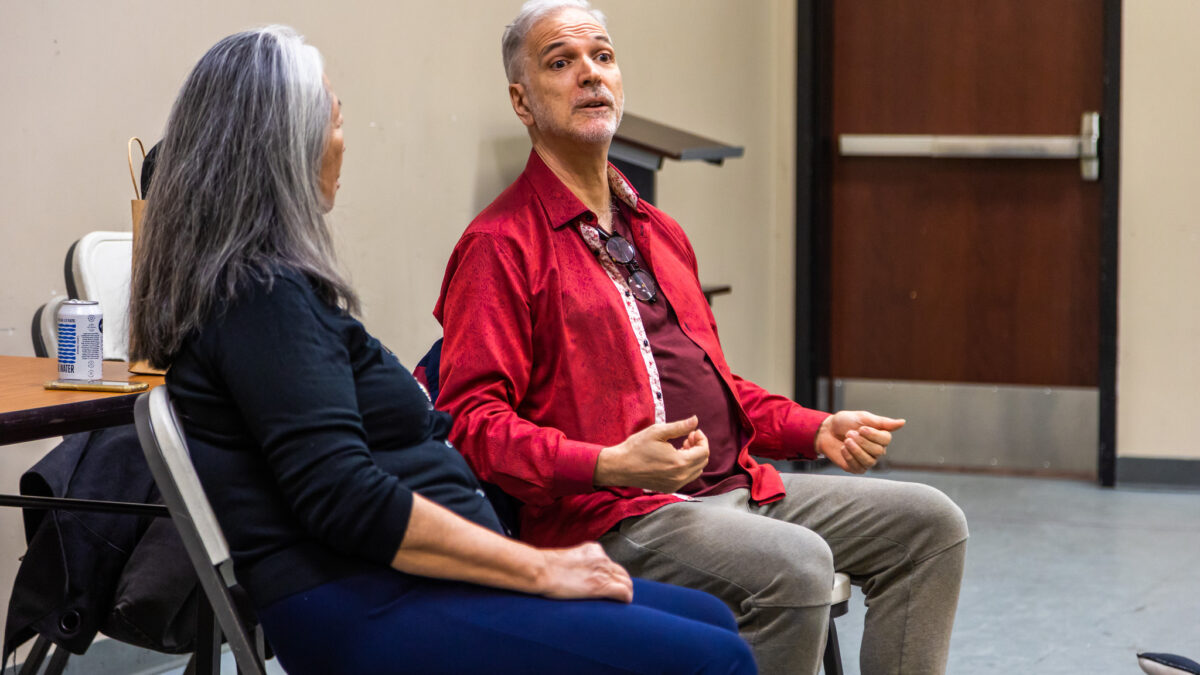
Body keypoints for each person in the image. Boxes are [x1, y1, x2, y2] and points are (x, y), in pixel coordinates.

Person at [128, 25, 756, 675]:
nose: (343, 141)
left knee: (709, 618)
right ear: (288, 148)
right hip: (368, 601)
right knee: (717, 657)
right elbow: (346, 498)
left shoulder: (256, 289)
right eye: (335, 119)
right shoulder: (263, 297)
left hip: (393, 581)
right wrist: (540, 565)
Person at [433, 2, 970, 673]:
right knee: (796, 564)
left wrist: (815, 428)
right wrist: (606, 463)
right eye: (561, 62)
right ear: (522, 101)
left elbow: (714, 386)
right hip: (619, 516)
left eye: (602, 56)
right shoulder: (499, 245)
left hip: (734, 487)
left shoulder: (657, 230)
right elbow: (471, 425)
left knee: (931, 524)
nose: (590, 76)